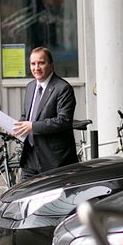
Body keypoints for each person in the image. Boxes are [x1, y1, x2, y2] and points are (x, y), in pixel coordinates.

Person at [13, 47, 77, 180]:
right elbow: (27, 116)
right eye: (33, 63)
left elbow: (63, 121)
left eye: (41, 63)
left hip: (54, 160)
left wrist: (33, 126)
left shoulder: (63, 88)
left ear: (51, 64)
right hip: (30, 157)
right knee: (24, 197)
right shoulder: (30, 86)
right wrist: (15, 127)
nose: (36, 67)